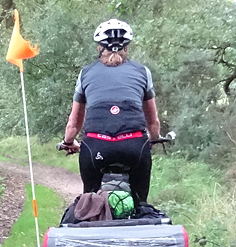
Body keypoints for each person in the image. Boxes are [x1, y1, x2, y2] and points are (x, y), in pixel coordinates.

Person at [59, 19, 161, 204]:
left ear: (100, 47)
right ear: (127, 47)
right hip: (134, 146)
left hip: (96, 146)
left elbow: (74, 124)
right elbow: (152, 121)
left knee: (89, 202)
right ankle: (140, 209)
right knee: (141, 203)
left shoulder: (86, 73)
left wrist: (68, 142)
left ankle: (91, 211)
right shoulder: (142, 72)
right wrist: (153, 139)